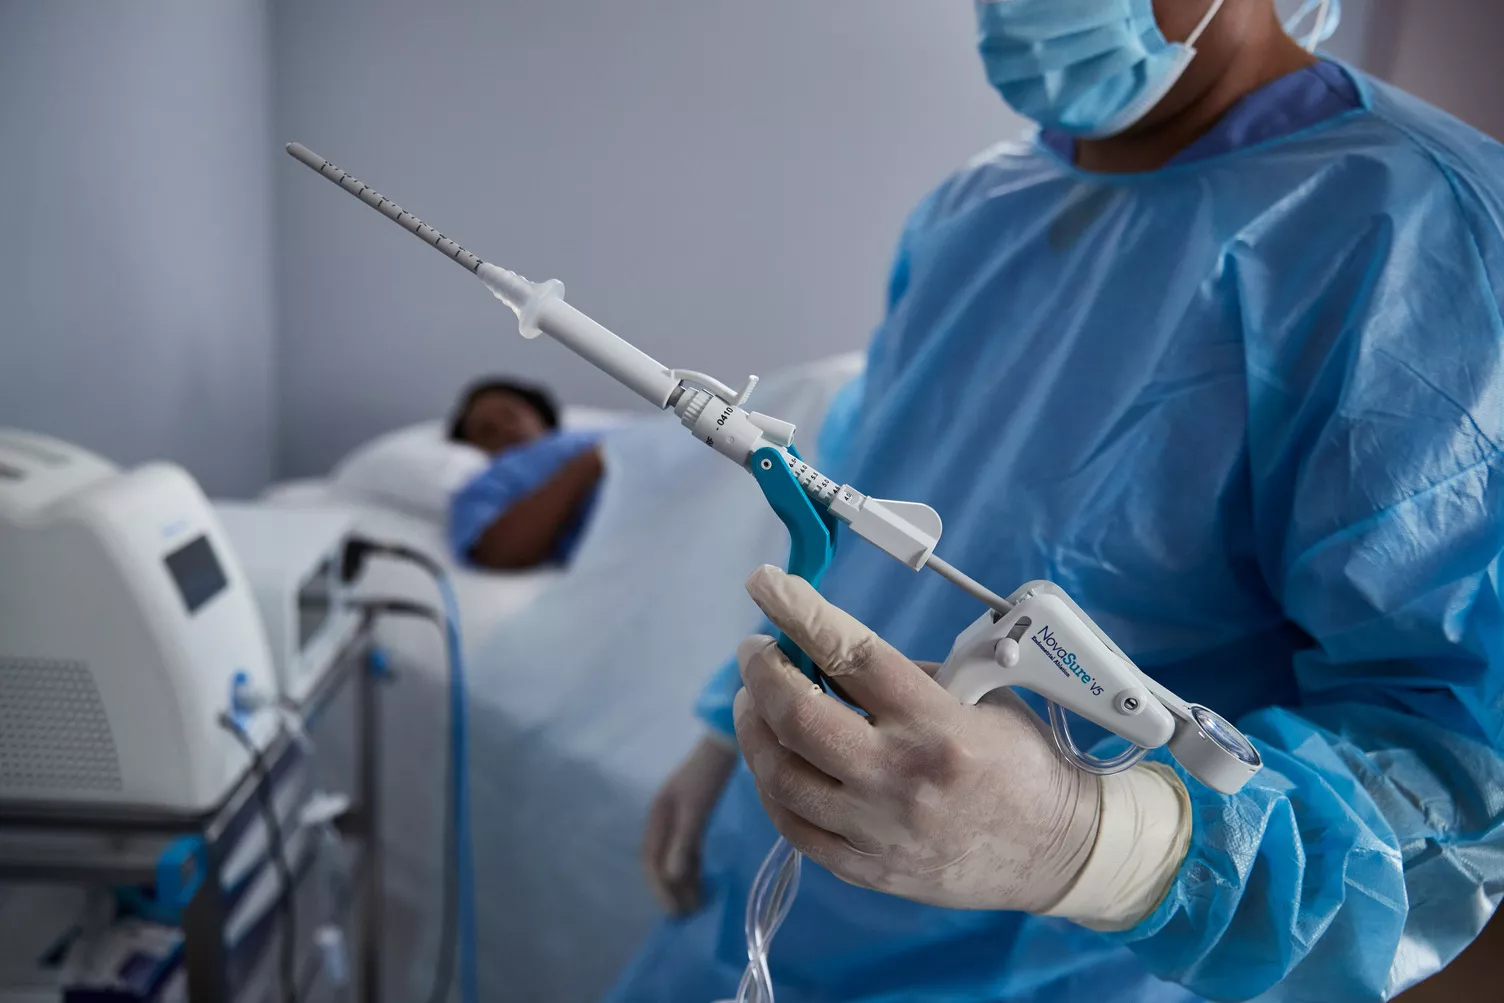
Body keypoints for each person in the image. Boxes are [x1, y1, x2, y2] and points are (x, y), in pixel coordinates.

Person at [608, 0, 1504, 1001]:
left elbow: (1459, 765)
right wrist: (726, 733)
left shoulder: (1428, 232)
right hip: (777, 897)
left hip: (1067, 960)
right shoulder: (975, 206)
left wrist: (1090, 843)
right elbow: (859, 498)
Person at [447, 377, 603, 569]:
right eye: (488, 431)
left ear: (534, 412)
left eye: (510, 415)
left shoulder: (593, 435)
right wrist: (585, 466)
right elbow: (495, 553)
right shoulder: (490, 482)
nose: (505, 430)